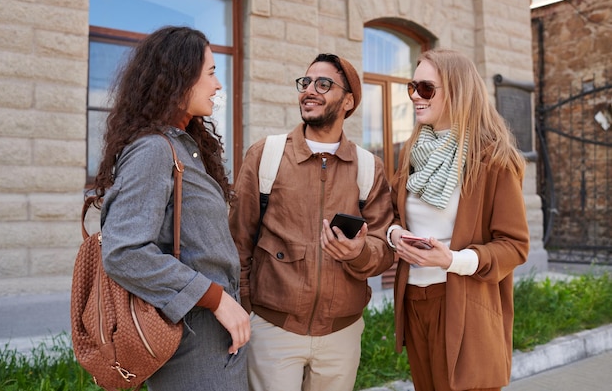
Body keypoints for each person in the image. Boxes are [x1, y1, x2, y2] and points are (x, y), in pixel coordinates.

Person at [91, 26, 250, 391]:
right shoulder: (153, 151)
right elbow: (123, 251)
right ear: (180, 77)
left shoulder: (183, 146)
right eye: (211, 73)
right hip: (193, 336)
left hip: (212, 333)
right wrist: (216, 299)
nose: (218, 85)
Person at [229, 53, 394, 391]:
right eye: (305, 83)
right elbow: (237, 240)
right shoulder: (266, 155)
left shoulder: (368, 167)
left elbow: (384, 249)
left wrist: (358, 252)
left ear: (348, 101)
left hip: (341, 334)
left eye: (323, 84)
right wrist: (247, 310)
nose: (309, 91)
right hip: (273, 331)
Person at [387, 48, 530, 391]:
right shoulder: (413, 151)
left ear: (457, 90)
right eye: (412, 87)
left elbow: (515, 245)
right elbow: (394, 213)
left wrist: (452, 260)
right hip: (415, 302)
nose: (415, 97)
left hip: (465, 303)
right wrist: (395, 235)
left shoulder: (493, 158)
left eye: (426, 89)